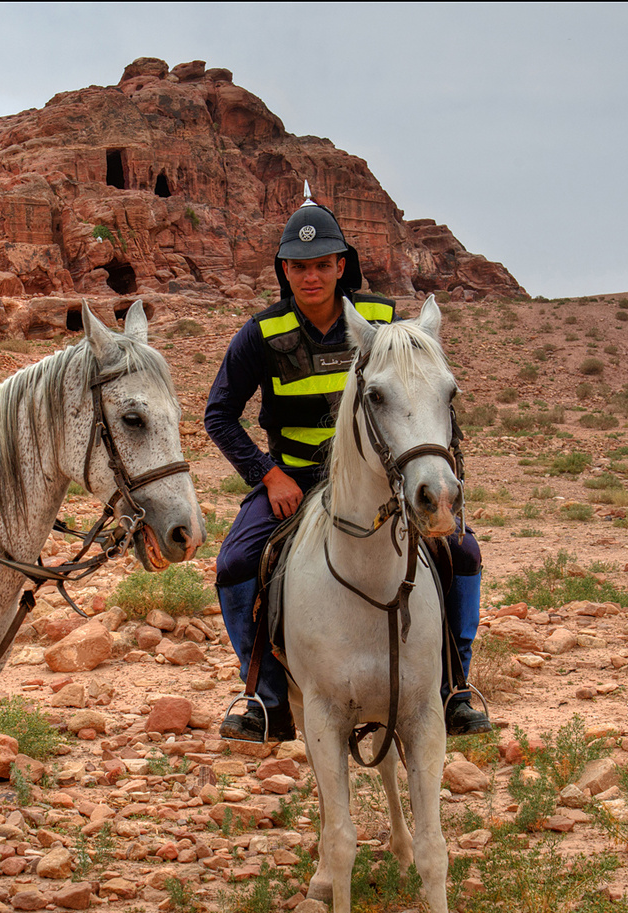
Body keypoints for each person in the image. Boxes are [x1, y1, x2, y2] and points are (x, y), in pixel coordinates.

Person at [204, 192, 491, 743]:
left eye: (321, 265)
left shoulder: (383, 320)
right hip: (294, 480)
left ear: (341, 266)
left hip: (380, 481)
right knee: (236, 563)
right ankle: (264, 698)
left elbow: (421, 393)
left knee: (461, 550)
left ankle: (455, 687)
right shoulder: (260, 335)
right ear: (284, 270)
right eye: (298, 267)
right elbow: (219, 415)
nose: (310, 277)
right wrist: (268, 474)